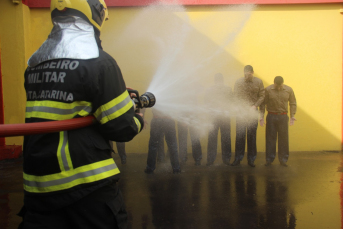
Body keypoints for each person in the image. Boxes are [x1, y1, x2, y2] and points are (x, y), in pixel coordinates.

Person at [18, 1, 144, 228]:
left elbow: (67, 97)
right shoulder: (100, 62)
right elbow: (121, 127)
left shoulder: (34, 64)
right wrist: (138, 119)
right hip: (86, 187)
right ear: (95, 12)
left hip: (39, 188)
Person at [232, 65, 265, 167]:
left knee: (251, 137)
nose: (247, 76)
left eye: (249, 74)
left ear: (253, 72)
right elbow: (235, 96)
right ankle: (238, 159)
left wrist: (255, 106)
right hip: (241, 113)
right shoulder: (238, 82)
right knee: (240, 136)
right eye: (245, 74)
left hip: (252, 112)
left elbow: (262, 96)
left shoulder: (259, 82)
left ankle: (251, 160)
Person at [260, 76, 297, 166]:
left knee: (283, 139)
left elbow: (293, 103)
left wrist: (292, 116)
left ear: (283, 83)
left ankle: (283, 160)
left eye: (280, 86)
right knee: (270, 139)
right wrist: (261, 116)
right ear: (274, 83)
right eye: (277, 86)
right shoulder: (268, 90)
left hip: (283, 117)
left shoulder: (289, 90)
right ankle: (269, 159)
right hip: (271, 116)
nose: (279, 88)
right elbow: (263, 104)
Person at [206, 73, 233, 166]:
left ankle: (210, 160)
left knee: (212, 138)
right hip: (225, 117)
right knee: (226, 138)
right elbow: (232, 102)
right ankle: (226, 159)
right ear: (222, 80)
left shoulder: (209, 90)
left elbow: (207, 103)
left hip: (213, 117)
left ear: (215, 80)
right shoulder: (228, 89)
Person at [145, 109, 181, 174]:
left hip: (157, 119)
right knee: (172, 145)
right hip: (169, 120)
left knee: (153, 146)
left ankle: (150, 168)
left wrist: (141, 117)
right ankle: (176, 168)